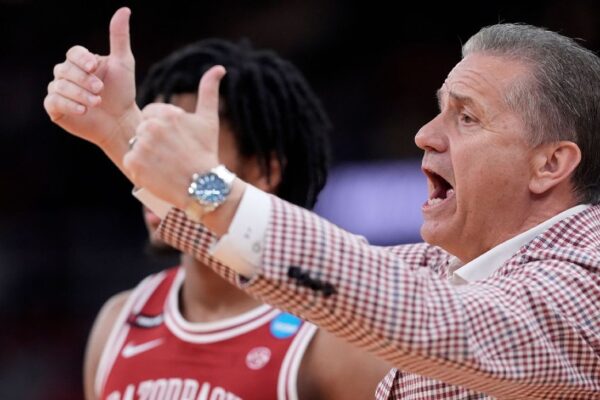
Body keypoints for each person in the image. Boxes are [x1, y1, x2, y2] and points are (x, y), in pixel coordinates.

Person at [44, 7, 600, 400]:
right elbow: (295, 264)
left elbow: (421, 314)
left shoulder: (587, 283)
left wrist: (204, 185)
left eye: (467, 116)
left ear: (550, 163)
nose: (425, 135)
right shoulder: (446, 269)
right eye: (438, 110)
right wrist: (123, 136)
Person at [50, 19, 388, 400]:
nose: (153, 158)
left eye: (184, 141)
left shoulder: (330, 339)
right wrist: (116, 127)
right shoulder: (117, 323)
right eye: (148, 135)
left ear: (264, 170)